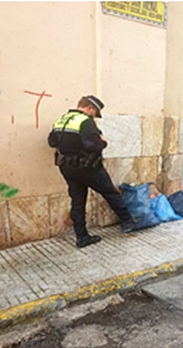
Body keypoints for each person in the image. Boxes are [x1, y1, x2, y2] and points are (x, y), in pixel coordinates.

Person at [48, 95, 137, 248]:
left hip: (67, 168)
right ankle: (128, 222)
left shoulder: (61, 120)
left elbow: (52, 142)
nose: (94, 117)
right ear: (90, 108)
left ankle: (81, 237)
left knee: (77, 201)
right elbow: (92, 145)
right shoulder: (85, 121)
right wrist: (103, 142)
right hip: (88, 168)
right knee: (110, 192)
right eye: (95, 113)